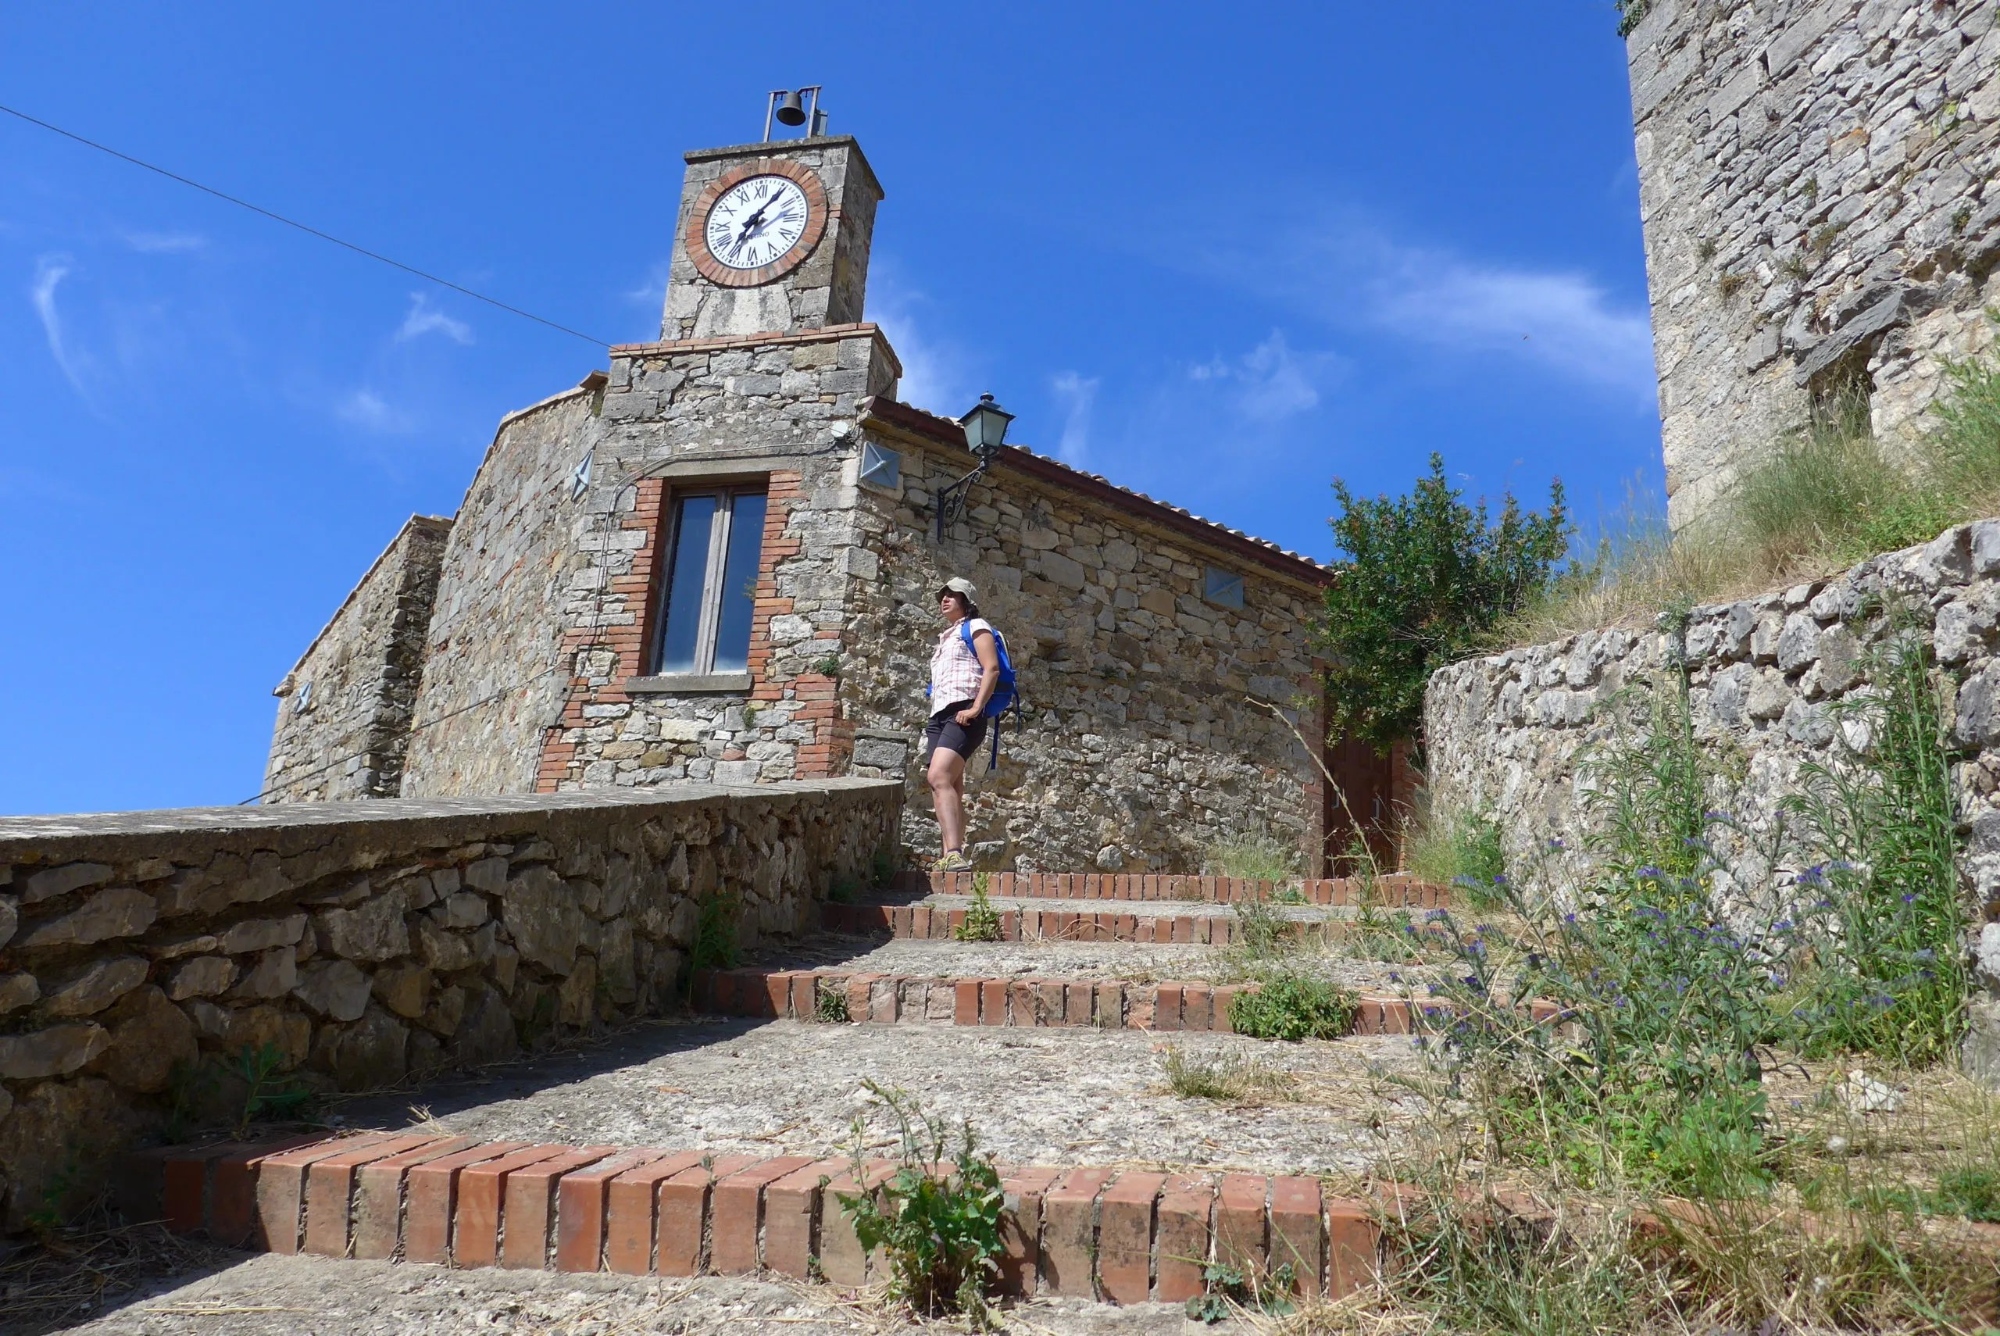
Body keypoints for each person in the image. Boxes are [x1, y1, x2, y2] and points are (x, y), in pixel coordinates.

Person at [924, 577, 1001, 873]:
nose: (944, 599)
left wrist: (976, 707)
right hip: (940, 715)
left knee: (938, 775)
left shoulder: (977, 627)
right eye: (942, 595)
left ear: (966, 601)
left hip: (965, 711)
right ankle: (949, 855)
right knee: (949, 783)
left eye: (952, 595)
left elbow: (991, 668)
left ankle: (954, 852)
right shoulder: (945, 637)